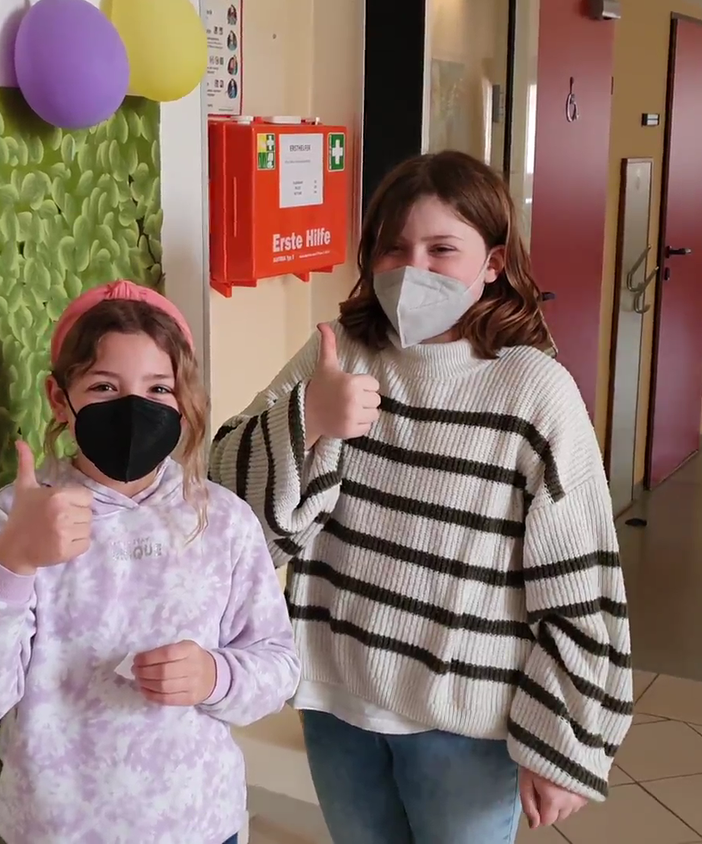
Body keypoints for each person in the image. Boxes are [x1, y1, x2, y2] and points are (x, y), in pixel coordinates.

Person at [210, 151, 632, 843]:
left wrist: (564, 739)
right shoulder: (341, 352)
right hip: (335, 701)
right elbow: (229, 505)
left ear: (493, 262)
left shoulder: (534, 390)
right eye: (393, 248)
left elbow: (578, 574)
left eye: (442, 249)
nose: (413, 270)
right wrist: (309, 419)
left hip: (466, 725)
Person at [0, 281, 300, 844]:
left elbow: (278, 666)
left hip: (200, 826)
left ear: (183, 400)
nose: (134, 408)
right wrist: (13, 561)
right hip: (54, 831)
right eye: (104, 386)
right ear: (60, 399)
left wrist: (213, 676)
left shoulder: (223, 520)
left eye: (158, 388)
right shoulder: (17, 517)